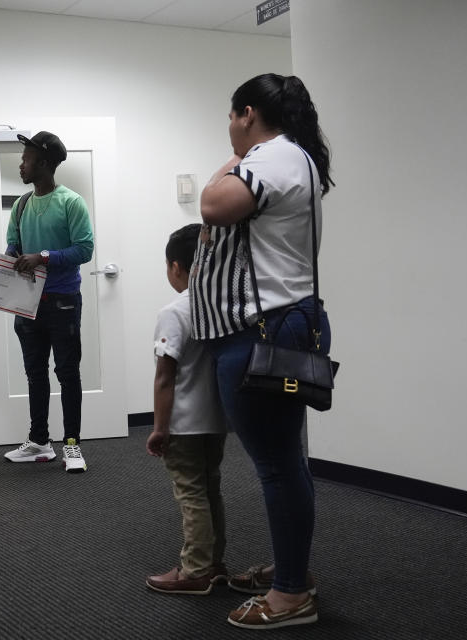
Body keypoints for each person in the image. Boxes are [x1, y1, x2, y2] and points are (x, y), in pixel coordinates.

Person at [194, 74, 333, 629]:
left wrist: (230, 161)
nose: (229, 130)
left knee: (277, 466)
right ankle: (292, 570)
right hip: (269, 327)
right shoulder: (289, 158)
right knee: (283, 460)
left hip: (266, 331)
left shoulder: (273, 157)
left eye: (231, 118)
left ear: (246, 113)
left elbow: (212, 205)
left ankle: (291, 594)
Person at [1, 131, 94, 473]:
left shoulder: (71, 202)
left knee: (67, 373)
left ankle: (72, 446)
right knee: (35, 373)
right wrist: (10, 259)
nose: (21, 164)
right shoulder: (23, 204)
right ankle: (40, 441)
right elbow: (12, 243)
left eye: (25, 159)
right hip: (27, 302)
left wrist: (42, 257)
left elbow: (84, 250)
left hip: (62, 301)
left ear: (42, 163)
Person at [145, 224, 229, 595]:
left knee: (191, 494)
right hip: (217, 418)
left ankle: (195, 570)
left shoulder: (174, 311)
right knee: (211, 489)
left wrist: (159, 428)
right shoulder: (221, 305)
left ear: (177, 266)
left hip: (184, 422)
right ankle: (213, 564)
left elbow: (165, 377)